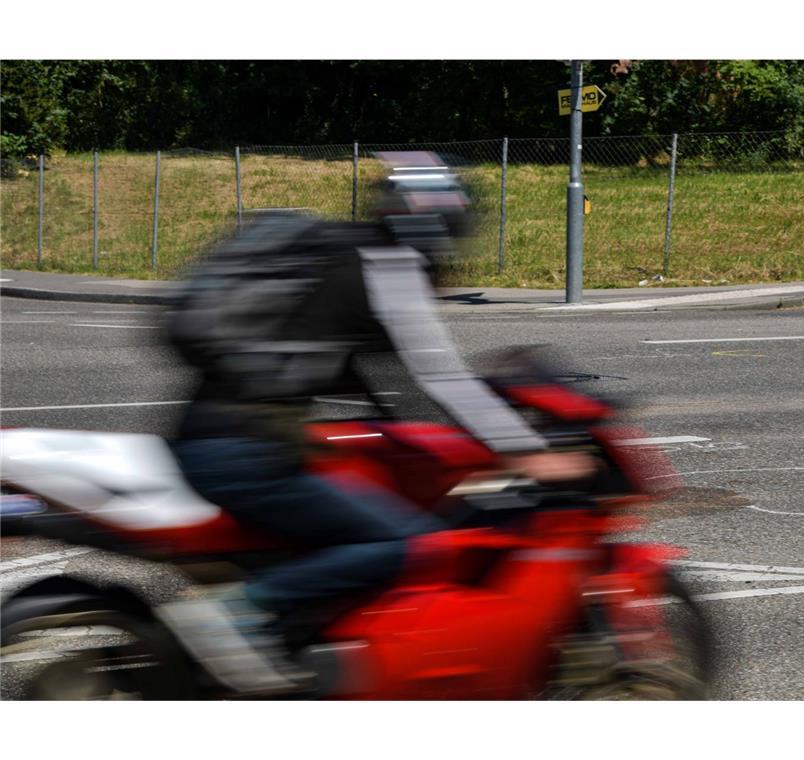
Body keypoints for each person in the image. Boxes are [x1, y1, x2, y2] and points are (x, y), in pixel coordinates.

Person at [158, 153, 593, 695]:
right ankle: (238, 614)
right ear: (440, 221)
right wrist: (527, 451)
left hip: (215, 434)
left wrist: (456, 442)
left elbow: (387, 384)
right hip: (246, 450)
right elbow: (440, 376)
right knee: (405, 542)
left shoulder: (341, 254)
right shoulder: (389, 265)